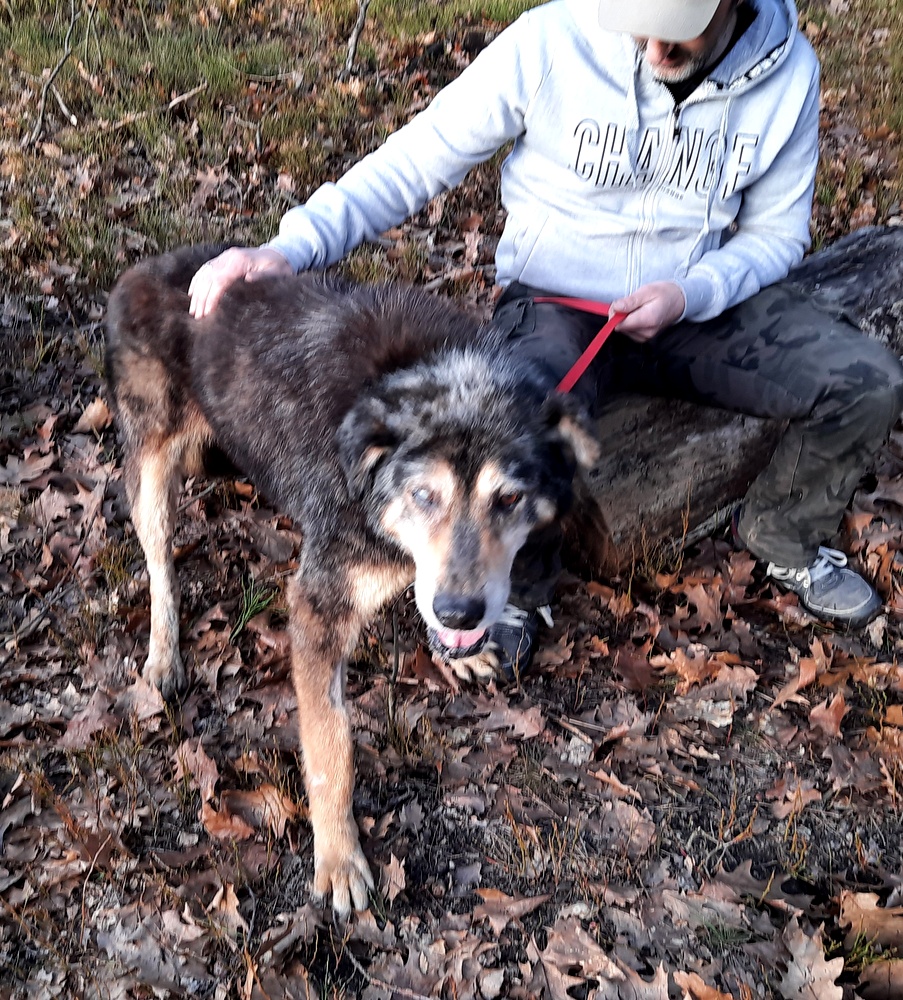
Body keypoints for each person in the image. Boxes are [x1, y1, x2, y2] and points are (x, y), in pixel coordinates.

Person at [188, 0, 903, 677]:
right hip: (556, 303)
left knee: (867, 383)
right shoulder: (551, 40)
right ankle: (515, 593)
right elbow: (417, 157)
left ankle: (784, 531)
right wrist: (290, 248)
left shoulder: (788, 72)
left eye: (678, 30)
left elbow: (778, 233)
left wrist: (693, 291)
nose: (656, 51)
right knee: (507, 431)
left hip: (695, 305)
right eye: (641, 26)